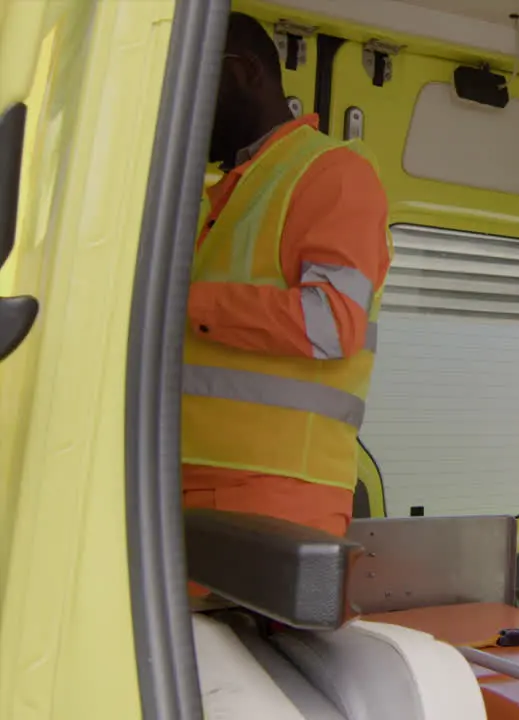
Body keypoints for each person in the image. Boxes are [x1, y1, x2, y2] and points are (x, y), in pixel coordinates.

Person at [181, 12, 392, 549]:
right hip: (197, 484)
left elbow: (330, 323)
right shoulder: (232, 191)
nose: (188, 106)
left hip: (275, 498)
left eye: (198, 81)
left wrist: (182, 302)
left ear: (244, 73)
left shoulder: (334, 173)